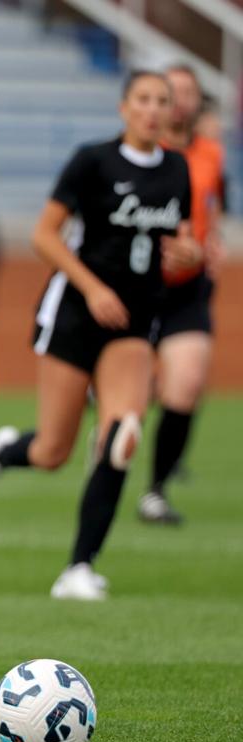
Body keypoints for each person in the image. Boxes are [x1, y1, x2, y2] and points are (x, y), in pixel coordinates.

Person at [0, 71, 201, 600]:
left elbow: (181, 242)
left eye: (163, 101)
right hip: (75, 311)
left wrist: (190, 255)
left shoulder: (178, 169)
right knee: (53, 451)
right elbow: (44, 235)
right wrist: (92, 288)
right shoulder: (93, 160)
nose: (154, 110)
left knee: (122, 436)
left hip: (134, 320)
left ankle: (79, 569)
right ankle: (3, 452)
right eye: (143, 99)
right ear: (124, 107)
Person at [138, 64, 226, 525]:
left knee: (187, 385)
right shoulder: (144, 152)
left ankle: (155, 490)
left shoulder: (212, 152)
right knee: (133, 393)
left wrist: (211, 243)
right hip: (139, 285)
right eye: (174, 92)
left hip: (189, 289)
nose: (182, 100)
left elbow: (214, 206)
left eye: (190, 91)